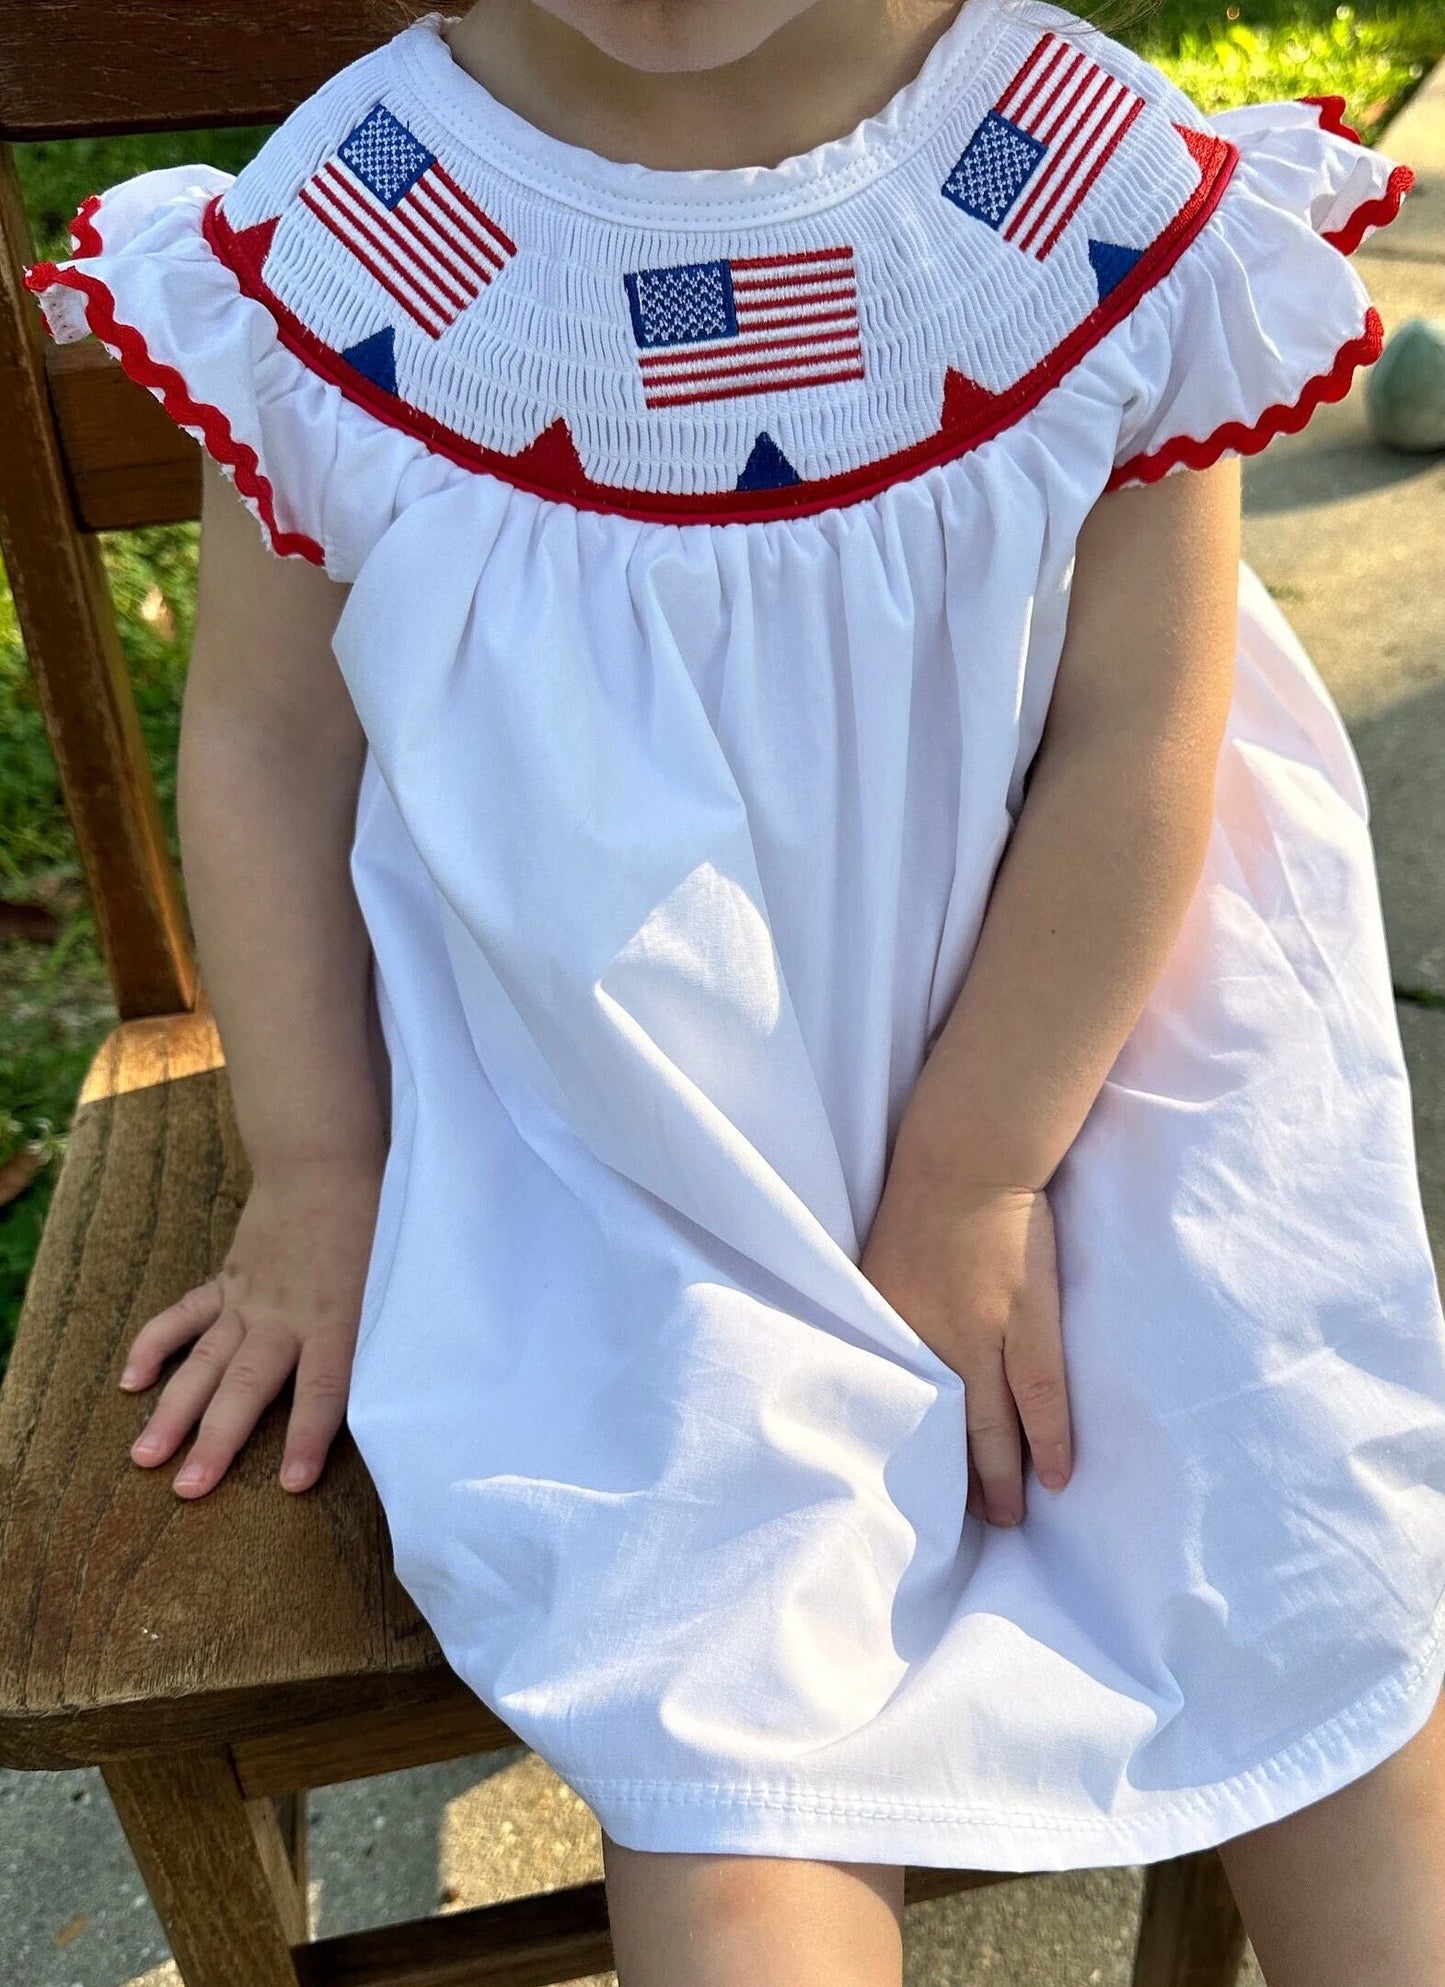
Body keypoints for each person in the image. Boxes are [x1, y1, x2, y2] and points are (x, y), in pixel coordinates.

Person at [24, 0, 1445, 1979]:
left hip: (1089, 1043)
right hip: (622, 1117)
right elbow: (269, 741)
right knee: (730, 1727)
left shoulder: (1067, 181)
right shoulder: (372, 231)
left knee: (1303, 1572)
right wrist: (320, 1164)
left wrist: (974, 1176)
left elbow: (1141, 727)